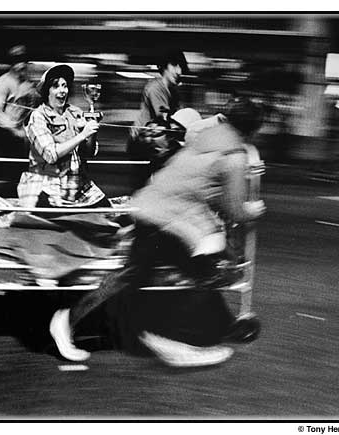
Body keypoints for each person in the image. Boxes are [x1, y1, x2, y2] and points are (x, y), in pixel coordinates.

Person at [48, 97, 266, 365]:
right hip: (173, 220)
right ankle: (168, 340)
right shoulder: (234, 154)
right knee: (202, 273)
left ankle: (70, 321)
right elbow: (235, 209)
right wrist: (253, 210)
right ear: (254, 129)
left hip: (154, 208)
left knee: (145, 275)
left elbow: (202, 186)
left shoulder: (206, 136)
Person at [17, 64, 111, 209]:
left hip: (78, 188)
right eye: (56, 86)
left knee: (109, 214)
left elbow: (89, 153)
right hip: (48, 187)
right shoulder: (38, 116)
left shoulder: (75, 112)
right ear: (46, 90)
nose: (62, 90)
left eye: (64, 86)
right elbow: (51, 154)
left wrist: (92, 132)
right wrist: (82, 135)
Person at [128, 50, 189, 182]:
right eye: (175, 65)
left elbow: (182, 117)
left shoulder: (174, 93)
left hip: (158, 144)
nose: (179, 71)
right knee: (148, 186)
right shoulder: (156, 87)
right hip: (143, 144)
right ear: (164, 66)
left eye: (181, 67)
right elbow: (165, 119)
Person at [0, 45, 39, 188]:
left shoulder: (27, 84)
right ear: (12, 65)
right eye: (17, 62)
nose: (22, 66)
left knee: (21, 164)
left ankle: (18, 189)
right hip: (2, 129)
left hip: (20, 130)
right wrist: (14, 130)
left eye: (24, 62)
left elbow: (31, 106)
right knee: (12, 163)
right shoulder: (1, 84)